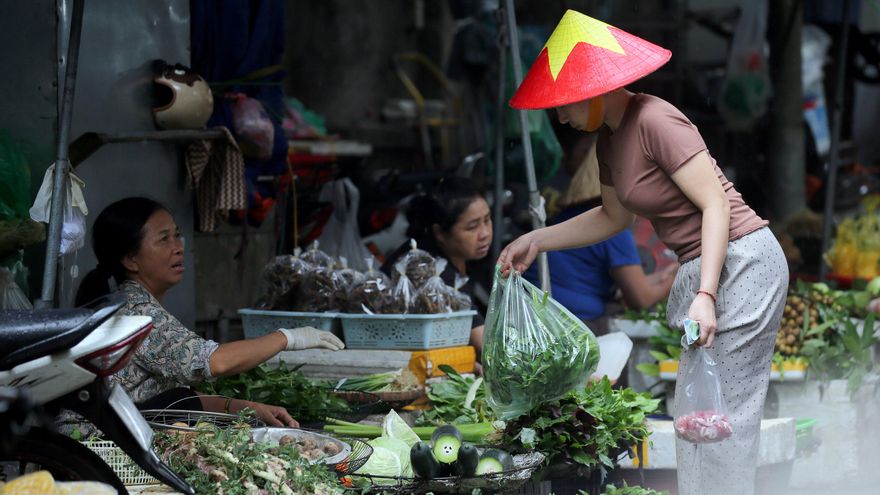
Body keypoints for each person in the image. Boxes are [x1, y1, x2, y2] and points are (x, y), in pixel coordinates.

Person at [498, 10, 787, 495]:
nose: (560, 116)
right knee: (698, 417)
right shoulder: (608, 142)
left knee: (725, 416)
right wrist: (537, 238)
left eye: (565, 103)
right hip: (709, 267)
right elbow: (613, 219)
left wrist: (707, 292)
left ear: (596, 89)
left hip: (742, 261)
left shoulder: (655, 118)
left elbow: (714, 202)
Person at [75, 197, 344, 427]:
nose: (178, 246)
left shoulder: (134, 301)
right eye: (164, 239)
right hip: (95, 443)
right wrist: (287, 338)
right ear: (130, 259)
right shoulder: (136, 312)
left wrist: (247, 408)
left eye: (177, 235)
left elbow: (179, 399)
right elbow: (215, 362)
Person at [524, 135, 677, 334]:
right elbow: (641, 298)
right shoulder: (612, 226)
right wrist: (674, 279)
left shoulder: (568, 215)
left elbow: (634, 284)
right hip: (570, 323)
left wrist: (665, 276)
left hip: (536, 314)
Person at [380, 176, 492, 355]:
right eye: (472, 227)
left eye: (487, 220)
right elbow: (489, 345)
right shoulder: (426, 271)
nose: (485, 233)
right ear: (439, 232)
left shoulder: (455, 257)